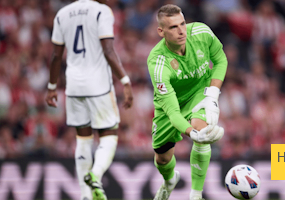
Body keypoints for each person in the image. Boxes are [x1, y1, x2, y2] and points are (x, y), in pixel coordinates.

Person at [45, 0, 133, 200]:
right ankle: (96, 174)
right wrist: (125, 81)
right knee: (109, 135)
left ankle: (85, 196)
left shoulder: (62, 14)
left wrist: (51, 87)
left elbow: (56, 56)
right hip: (99, 85)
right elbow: (108, 50)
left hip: (74, 85)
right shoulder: (102, 11)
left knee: (83, 140)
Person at [147, 4, 227, 200]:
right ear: (161, 31)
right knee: (162, 158)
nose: (181, 30)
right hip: (170, 106)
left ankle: (196, 194)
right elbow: (173, 113)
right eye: (173, 27)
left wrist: (212, 95)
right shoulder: (158, 63)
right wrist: (191, 133)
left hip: (200, 93)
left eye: (182, 23)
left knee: (202, 128)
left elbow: (220, 60)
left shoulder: (201, 32)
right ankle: (169, 180)